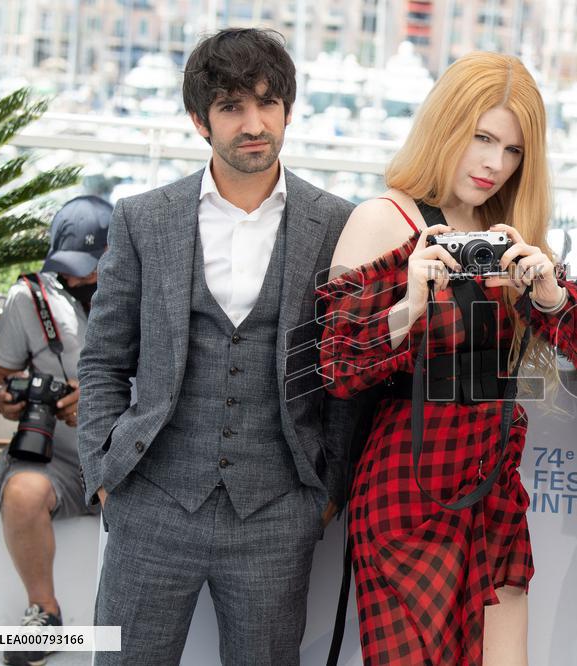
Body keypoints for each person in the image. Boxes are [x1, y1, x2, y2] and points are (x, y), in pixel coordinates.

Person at [76, 28, 355, 665]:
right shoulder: (144, 218)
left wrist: (326, 489)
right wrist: (103, 474)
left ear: (288, 108)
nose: (253, 123)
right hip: (151, 501)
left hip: (278, 511)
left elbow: (346, 369)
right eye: (232, 106)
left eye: (267, 103)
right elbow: (103, 358)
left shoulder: (335, 222)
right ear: (201, 121)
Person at [316, 52, 577, 665]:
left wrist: (549, 294)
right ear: (446, 125)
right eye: (482, 138)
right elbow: (337, 366)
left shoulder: (506, 234)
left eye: (514, 150)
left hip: (493, 488)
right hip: (409, 490)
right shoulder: (384, 220)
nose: (495, 164)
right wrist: (408, 305)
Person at [0, 195, 111, 666]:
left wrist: (96, 402)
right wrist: (2, 397)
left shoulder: (151, 295)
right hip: (54, 455)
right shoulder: (28, 298)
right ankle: (44, 616)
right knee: (22, 493)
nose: (76, 279)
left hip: (127, 456)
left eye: (89, 267)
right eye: (67, 267)